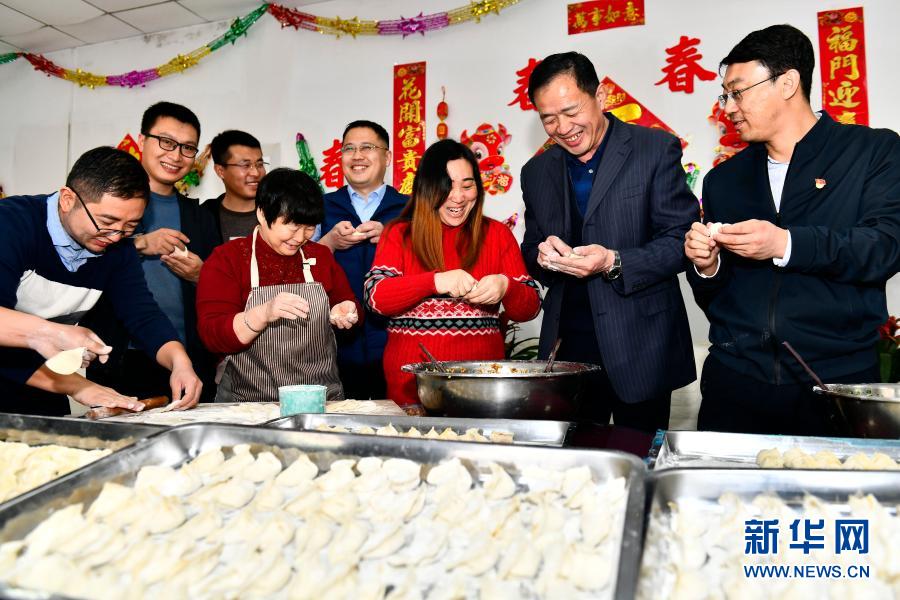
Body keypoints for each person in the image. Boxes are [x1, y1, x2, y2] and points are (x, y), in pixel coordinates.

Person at [684, 24, 900, 436]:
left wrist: (786, 243)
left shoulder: (872, 152)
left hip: (836, 381)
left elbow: (885, 247)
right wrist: (707, 268)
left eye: (738, 92)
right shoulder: (724, 180)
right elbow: (716, 298)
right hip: (735, 380)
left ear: (787, 83)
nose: (728, 108)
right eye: (725, 95)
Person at [520, 51, 697, 433]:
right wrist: (542, 256)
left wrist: (613, 262)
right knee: (575, 459)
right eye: (548, 118)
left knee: (641, 456)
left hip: (642, 344)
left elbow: (681, 239)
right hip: (567, 348)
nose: (562, 128)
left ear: (600, 96)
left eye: (571, 111)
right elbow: (530, 247)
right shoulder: (536, 171)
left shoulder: (654, 149)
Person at [0, 147, 202, 415]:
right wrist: (55, 338)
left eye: (130, 226)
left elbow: (143, 316)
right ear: (68, 199)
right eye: (107, 221)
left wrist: (180, 362)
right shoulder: (11, 224)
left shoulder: (116, 249)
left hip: (43, 382)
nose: (116, 236)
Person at [365, 139, 541, 407]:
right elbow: (376, 297)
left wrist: (507, 286)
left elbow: (530, 307)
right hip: (412, 390)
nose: (458, 197)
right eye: (446, 186)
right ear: (427, 188)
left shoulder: (497, 235)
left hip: (483, 390)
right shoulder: (399, 234)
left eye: (467, 186)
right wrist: (435, 281)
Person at [83, 102, 219, 403]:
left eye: (187, 148)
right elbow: (81, 260)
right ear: (142, 141)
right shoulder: (105, 202)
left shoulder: (201, 216)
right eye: (166, 142)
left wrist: (202, 275)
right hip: (118, 355)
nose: (176, 155)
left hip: (185, 358)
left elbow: (222, 289)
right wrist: (140, 244)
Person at [196, 168, 361, 403]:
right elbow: (211, 334)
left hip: (318, 398)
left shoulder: (320, 256)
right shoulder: (228, 259)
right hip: (248, 402)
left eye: (309, 227)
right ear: (262, 214)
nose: (300, 237)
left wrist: (346, 312)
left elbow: (349, 309)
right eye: (292, 226)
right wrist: (263, 313)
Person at [316, 120, 408, 400]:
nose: (357, 156)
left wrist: (393, 238)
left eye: (367, 147)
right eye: (349, 149)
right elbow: (297, 265)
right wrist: (329, 243)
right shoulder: (321, 206)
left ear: (387, 157)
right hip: (333, 345)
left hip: (397, 342)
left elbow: (430, 265)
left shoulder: (410, 208)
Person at [205, 129, 268, 243]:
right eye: (245, 165)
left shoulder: (279, 212)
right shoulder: (202, 216)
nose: (256, 173)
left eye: (259, 164)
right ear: (220, 171)